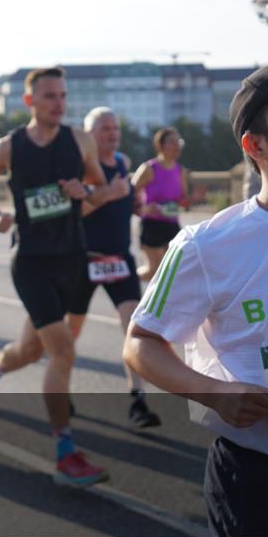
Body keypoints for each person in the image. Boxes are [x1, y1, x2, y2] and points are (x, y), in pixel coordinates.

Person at [124, 52, 268, 537]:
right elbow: (142, 343)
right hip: (263, 483)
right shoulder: (207, 245)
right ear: (256, 145)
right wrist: (213, 392)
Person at [0, 66, 130, 487]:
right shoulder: (9, 147)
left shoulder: (79, 140)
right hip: (31, 261)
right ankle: (65, 451)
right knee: (63, 352)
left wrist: (85, 193)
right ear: (30, 102)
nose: (59, 103)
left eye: (62, 96)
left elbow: (97, 183)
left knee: (28, 350)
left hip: (71, 258)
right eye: (50, 97)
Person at [67, 107, 160, 429]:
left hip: (119, 259)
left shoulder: (121, 163)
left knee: (133, 326)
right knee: (70, 331)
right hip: (85, 259)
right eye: (105, 128)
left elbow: (124, 203)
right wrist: (110, 196)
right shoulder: (81, 169)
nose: (113, 132)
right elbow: (73, 214)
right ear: (90, 134)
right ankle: (60, 392)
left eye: (115, 127)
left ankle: (138, 400)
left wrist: (135, 204)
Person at [132, 127, 189, 281]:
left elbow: (182, 201)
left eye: (179, 141)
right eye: (172, 141)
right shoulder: (149, 169)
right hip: (151, 225)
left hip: (172, 225)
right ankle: (128, 280)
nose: (177, 145)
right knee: (154, 271)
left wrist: (193, 198)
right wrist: (143, 208)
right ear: (161, 146)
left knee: (174, 272)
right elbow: (130, 192)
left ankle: (164, 304)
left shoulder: (181, 171)